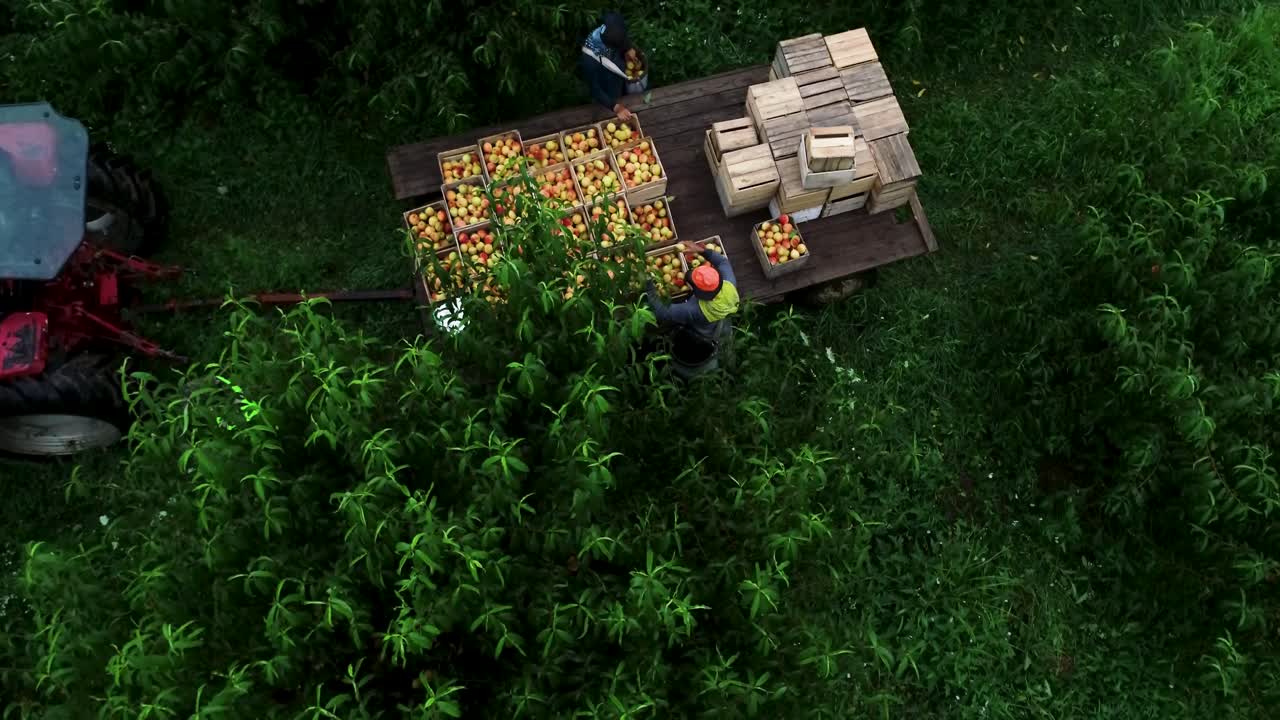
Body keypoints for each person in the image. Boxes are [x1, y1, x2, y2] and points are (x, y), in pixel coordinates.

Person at [645, 243, 740, 347]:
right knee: (722, 329)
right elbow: (722, 261)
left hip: (702, 333)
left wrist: (649, 287)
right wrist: (702, 251)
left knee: (700, 337)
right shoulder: (729, 282)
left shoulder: (694, 310)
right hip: (724, 319)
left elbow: (661, 312)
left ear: (700, 295)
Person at [580, 12, 634, 121]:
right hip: (606, 82)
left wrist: (628, 48)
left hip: (618, 72)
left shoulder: (612, 22)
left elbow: (622, 35)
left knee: (622, 87)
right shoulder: (589, 60)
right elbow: (594, 89)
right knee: (612, 94)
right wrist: (615, 107)